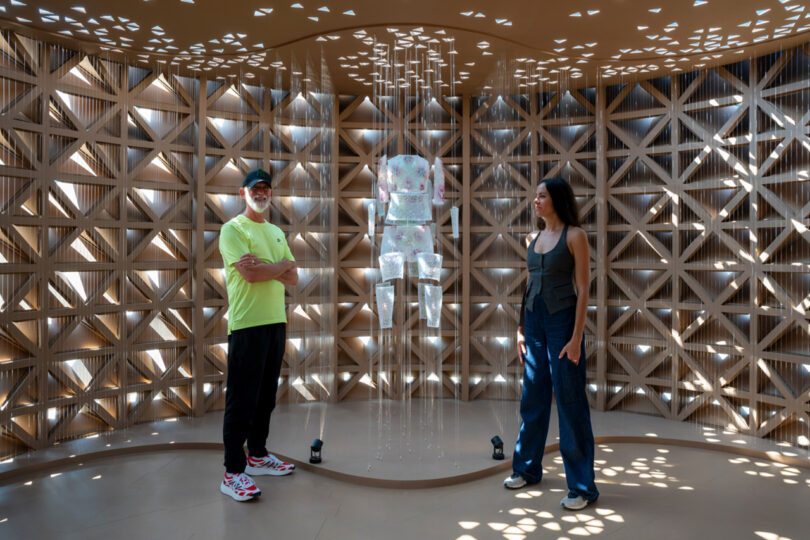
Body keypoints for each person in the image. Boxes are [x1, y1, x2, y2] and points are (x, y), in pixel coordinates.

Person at [503, 177, 599, 511]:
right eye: (535, 196)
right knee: (533, 396)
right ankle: (526, 469)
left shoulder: (576, 236)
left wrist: (576, 339)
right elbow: (528, 286)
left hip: (562, 323)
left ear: (556, 199)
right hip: (534, 322)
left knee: (570, 400)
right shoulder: (532, 238)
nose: (535, 201)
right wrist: (520, 327)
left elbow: (584, 290)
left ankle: (583, 487)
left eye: (541, 196)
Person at [218, 169, 299, 502]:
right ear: (243, 193)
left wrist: (272, 267)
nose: (261, 193)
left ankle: (258, 456)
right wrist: (277, 266)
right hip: (247, 324)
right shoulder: (232, 229)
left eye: (266, 188)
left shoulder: (277, 231)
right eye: (256, 188)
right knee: (241, 400)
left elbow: (293, 277)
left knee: (265, 397)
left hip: (275, 323)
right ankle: (233, 472)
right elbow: (249, 275)